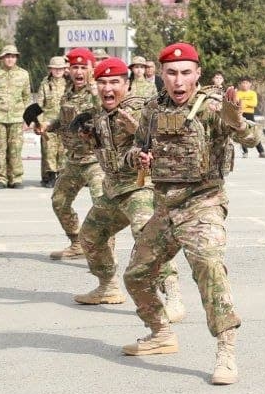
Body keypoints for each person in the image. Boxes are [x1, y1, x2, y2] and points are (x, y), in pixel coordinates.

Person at [121, 42, 261, 385]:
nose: (178, 80)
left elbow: (253, 138)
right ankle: (160, 333)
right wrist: (138, 157)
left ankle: (226, 351)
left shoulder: (213, 107)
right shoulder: (153, 109)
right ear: (162, 75)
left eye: (185, 73)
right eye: (171, 73)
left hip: (203, 203)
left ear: (197, 74)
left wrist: (237, 121)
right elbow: (135, 149)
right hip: (165, 207)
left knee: (209, 267)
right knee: (136, 276)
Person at [68, 57, 185, 320]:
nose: (108, 88)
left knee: (149, 238)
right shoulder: (99, 115)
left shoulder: (141, 109)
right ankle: (108, 286)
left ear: (126, 84)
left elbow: (168, 139)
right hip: (113, 191)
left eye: (114, 82)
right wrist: (87, 136)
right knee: (90, 236)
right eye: (102, 83)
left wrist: (140, 131)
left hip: (140, 188)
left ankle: (173, 295)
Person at [44, 48, 114, 259]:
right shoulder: (68, 92)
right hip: (74, 159)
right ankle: (77, 243)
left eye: (83, 67)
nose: (79, 71)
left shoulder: (98, 92)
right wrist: (49, 125)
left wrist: (94, 91)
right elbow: (64, 119)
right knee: (59, 201)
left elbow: (107, 114)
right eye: (75, 67)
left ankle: (106, 252)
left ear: (91, 69)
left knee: (102, 205)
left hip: (95, 159)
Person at [0, 44, 32, 188]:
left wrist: (28, 120)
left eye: (13, 57)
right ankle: (1, 179)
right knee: (0, 150)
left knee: (16, 150)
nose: (10, 59)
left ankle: (16, 178)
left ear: (16, 58)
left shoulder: (23, 74)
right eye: (7, 57)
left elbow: (27, 98)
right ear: (2, 58)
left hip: (17, 118)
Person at [37, 56, 69, 187]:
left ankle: (60, 176)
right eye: (55, 69)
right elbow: (39, 105)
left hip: (64, 122)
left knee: (63, 151)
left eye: (60, 69)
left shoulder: (69, 84)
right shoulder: (45, 84)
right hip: (48, 123)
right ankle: (50, 176)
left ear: (64, 69)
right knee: (49, 150)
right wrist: (38, 123)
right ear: (50, 69)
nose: (58, 71)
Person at [235, 77, 265, 159]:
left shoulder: (252, 93)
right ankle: (245, 152)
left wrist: (243, 102)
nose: (245, 85)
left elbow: (254, 103)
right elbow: (235, 102)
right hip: (240, 114)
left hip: (250, 114)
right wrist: (245, 103)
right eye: (243, 83)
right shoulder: (237, 93)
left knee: (254, 133)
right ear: (240, 84)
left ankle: (261, 152)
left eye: (246, 83)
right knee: (242, 133)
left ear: (250, 84)